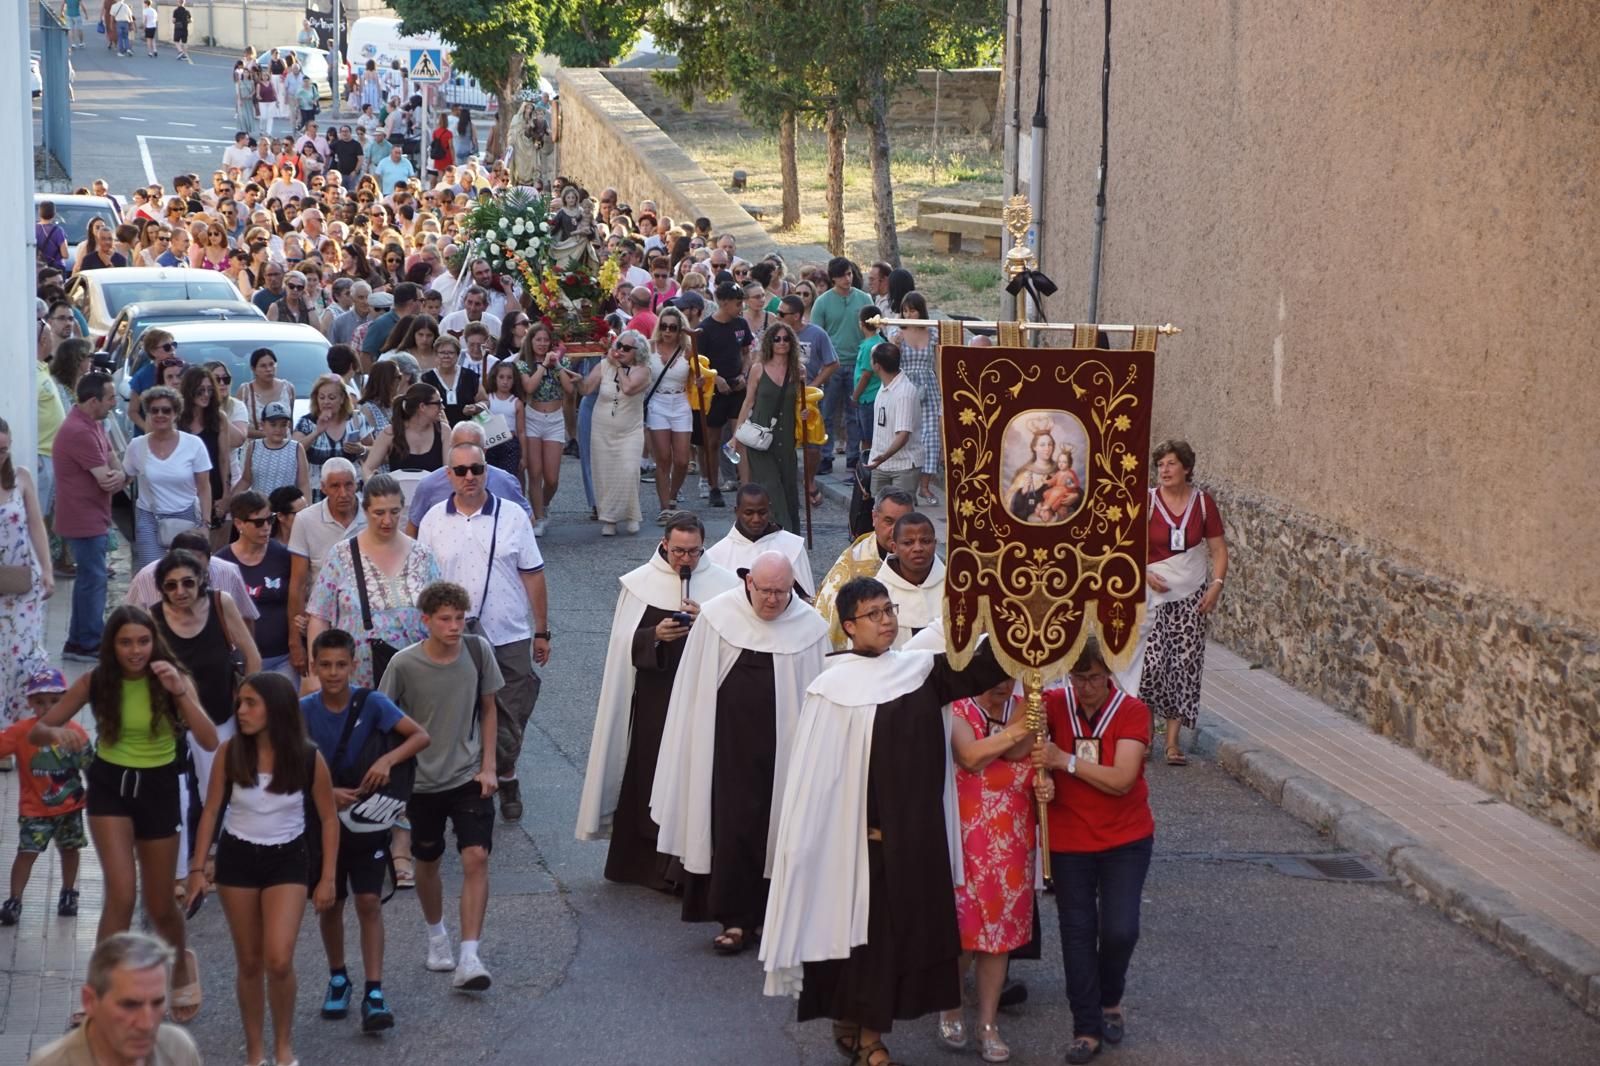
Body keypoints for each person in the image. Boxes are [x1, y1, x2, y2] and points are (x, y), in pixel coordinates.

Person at [760, 577, 1009, 1066]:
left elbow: (987, 667)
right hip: (854, 841)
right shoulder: (831, 688)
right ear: (849, 626)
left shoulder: (919, 671)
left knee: (892, 942)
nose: (887, 620)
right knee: (857, 942)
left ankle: (864, 1026)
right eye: (874, 614)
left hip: (914, 839)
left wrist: (1019, 610)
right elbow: (816, 778)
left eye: (889, 609)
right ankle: (864, 1033)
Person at [29, 606, 218, 1023]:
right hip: (110, 786)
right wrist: (56, 732)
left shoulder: (172, 678)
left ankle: (181, 965)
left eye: (142, 641)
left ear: (154, 642)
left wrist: (181, 692)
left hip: (159, 788)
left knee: (160, 903)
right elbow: (38, 730)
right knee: (120, 892)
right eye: (126, 642)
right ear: (112, 646)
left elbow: (208, 740)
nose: (135, 651)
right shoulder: (97, 681)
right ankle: (100, 996)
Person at [652, 553, 830, 953]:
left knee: (782, 828)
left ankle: (774, 916)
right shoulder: (718, 618)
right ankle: (734, 919)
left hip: (788, 750)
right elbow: (694, 690)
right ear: (748, 582)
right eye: (765, 591)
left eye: (781, 592)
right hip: (728, 746)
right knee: (734, 828)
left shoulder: (810, 628)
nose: (772, 600)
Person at [576, 513, 741, 887]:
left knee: (697, 776)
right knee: (650, 774)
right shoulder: (640, 585)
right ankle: (647, 866)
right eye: (679, 551)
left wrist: (710, 623)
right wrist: (654, 635)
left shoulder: (724, 586)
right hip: (657, 698)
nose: (686, 560)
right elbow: (623, 645)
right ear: (665, 545)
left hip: (704, 699)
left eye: (694, 552)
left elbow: (740, 642)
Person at [187, 672, 338, 1066]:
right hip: (238, 859)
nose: (242, 711)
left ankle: (283, 1048)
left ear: (276, 708)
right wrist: (197, 869)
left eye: (251, 703)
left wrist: (327, 878)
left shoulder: (307, 757)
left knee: (279, 959)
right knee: (250, 961)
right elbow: (211, 811)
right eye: (240, 703)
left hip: (288, 860)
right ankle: (255, 1053)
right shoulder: (230, 751)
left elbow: (329, 817)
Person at [300, 627, 430, 1032]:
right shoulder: (302, 710)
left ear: (355, 666)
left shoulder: (371, 702)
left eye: (341, 665)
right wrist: (325, 792)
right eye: (326, 665)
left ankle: (374, 990)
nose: (334, 673)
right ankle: (338, 977)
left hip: (367, 822)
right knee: (331, 903)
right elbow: (288, 764)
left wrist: (387, 761)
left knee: (369, 902)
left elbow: (419, 736)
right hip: (322, 825)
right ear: (314, 666)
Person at [379, 581, 503, 991]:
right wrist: (392, 778)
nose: (454, 627)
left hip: (468, 775)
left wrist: (489, 767)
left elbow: (489, 709)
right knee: (427, 862)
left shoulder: (477, 651)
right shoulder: (403, 664)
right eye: (445, 619)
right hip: (421, 782)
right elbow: (385, 719)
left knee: (476, 857)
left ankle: (470, 956)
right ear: (426, 621)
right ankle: (437, 937)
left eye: (460, 618)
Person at [416, 443, 549, 822]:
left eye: (476, 469)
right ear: (449, 476)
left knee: (512, 711)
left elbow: (533, 574)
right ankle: (464, 786)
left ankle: (506, 774)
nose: (469, 477)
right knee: (455, 712)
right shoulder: (432, 522)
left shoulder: (513, 516)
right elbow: (423, 583)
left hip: (508, 633)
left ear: (487, 471)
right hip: (450, 637)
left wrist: (542, 631)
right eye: (461, 471)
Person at [1041, 640, 1155, 1063]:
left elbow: (1123, 778)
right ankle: (1085, 1026)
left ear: (1109, 674)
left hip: (1125, 838)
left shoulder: (1132, 711)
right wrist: (1040, 775)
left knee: (1120, 929)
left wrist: (1064, 761)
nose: (1085, 687)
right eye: (1078, 677)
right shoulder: (1052, 704)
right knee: (1076, 931)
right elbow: (1027, 752)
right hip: (1069, 839)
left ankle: (1111, 997)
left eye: (1093, 678)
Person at [938, 676, 1042, 1062]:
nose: (1001, 684)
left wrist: (1026, 717)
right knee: (966, 931)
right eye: (992, 675)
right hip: (967, 838)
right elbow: (971, 755)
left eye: (1008, 675)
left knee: (999, 937)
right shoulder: (957, 708)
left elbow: (1021, 757)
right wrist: (1025, 720)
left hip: (1013, 839)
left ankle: (987, 1024)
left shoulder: (1024, 704)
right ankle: (950, 1005)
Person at [1119, 440, 1228, 765]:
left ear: (1186, 468)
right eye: (1161, 465)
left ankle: (1172, 743)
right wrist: (1141, 572)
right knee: (1150, 667)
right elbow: (1123, 544)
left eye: (1170, 464)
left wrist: (1216, 586)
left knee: (1183, 665)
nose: (1164, 471)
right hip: (1150, 596)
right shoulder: (1148, 502)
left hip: (1191, 597)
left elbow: (1218, 550)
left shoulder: (1203, 504)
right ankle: (1147, 735)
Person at [307, 474, 441, 689]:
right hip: (357, 681)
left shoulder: (423, 556)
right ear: (365, 510)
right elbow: (319, 616)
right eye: (379, 513)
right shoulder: (341, 555)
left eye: (394, 512)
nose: (387, 520)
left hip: (415, 679)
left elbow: (440, 614)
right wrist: (316, 674)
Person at [26, 932, 203, 1066]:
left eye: (157, 1002)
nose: (146, 1024)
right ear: (90, 1001)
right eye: (129, 1005)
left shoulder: (178, 1049)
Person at [0, 669, 91, 925]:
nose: (47, 708)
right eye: (39, 702)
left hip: (70, 807)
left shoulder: (76, 733)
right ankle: (14, 900)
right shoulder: (22, 731)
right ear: (30, 703)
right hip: (34, 810)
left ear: (65, 699)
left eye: (54, 701)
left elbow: (89, 765)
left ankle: (69, 893)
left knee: (70, 850)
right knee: (26, 852)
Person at [53, 372, 126, 662]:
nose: (114, 402)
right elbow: (106, 478)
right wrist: (119, 476)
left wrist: (118, 474)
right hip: (83, 518)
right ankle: (88, 642)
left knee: (89, 579)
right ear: (94, 400)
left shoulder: (93, 423)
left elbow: (113, 461)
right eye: (110, 398)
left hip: (93, 515)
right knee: (93, 580)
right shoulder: (80, 432)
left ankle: (78, 641)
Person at [287, 459, 368, 678]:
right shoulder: (306, 520)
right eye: (335, 486)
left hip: (364, 621)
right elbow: (298, 582)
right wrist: (295, 642)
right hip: (321, 622)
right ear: (323, 488)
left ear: (357, 484)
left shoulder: (373, 515)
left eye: (348, 485)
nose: (343, 493)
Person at [0, 418, 54, 722]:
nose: (1, 456)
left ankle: (18, 727)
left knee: (22, 657)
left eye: (5, 450)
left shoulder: (20, 477)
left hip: (22, 582)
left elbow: (36, 524)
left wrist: (46, 569)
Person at [814, 487, 915, 648]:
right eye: (889, 521)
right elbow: (829, 622)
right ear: (874, 518)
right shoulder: (852, 565)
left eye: (903, 522)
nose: (896, 531)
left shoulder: (928, 564)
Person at [217, 492, 296, 680]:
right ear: (239, 524)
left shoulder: (284, 556)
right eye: (259, 523)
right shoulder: (221, 562)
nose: (267, 527)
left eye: (270, 520)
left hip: (282, 658)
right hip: (240, 662)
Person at [733, 320, 803, 527]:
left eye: (786, 339)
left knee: (788, 486)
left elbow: (802, 402)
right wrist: (736, 433)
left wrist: (806, 413)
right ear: (769, 343)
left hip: (786, 436)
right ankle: (782, 531)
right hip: (760, 435)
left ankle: (791, 536)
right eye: (777, 339)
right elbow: (748, 402)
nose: (781, 343)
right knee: (770, 485)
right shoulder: (758, 369)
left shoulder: (798, 371)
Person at [404, 421, 532, 534]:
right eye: (461, 448)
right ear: (450, 450)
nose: (469, 476)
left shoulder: (506, 482)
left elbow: (527, 522)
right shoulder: (429, 485)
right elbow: (413, 528)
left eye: (473, 449)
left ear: (484, 451)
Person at [582, 330, 651, 536]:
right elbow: (586, 389)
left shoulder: (643, 370)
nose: (620, 351)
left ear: (637, 352)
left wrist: (619, 366)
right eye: (618, 346)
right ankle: (609, 518)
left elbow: (628, 388)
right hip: (602, 429)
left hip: (630, 430)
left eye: (626, 348)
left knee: (629, 469)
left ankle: (631, 514)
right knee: (606, 473)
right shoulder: (604, 365)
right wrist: (574, 377)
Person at [809, 258, 873, 476]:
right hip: (832, 365)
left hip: (857, 363)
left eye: (850, 274)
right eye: (843, 275)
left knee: (854, 413)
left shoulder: (864, 298)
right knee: (826, 412)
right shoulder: (823, 302)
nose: (848, 279)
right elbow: (817, 334)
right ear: (833, 278)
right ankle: (826, 456)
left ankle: (853, 456)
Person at [123, 529, 260, 629]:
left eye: (198, 575)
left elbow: (246, 617)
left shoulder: (229, 573)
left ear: (210, 559)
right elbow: (129, 620)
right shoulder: (146, 577)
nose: (182, 591)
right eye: (171, 585)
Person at [695, 283, 755, 508]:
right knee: (711, 441)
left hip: (737, 387)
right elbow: (698, 363)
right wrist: (716, 379)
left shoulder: (741, 324)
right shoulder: (705, 329)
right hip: (715, 391)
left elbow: (747, 352)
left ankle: (746, 488)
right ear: (724, 302)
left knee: (740, 438)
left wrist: (744, 374)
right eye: (738, 303)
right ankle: (713, 486)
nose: (741, 308)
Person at [519, 322, 578, 536]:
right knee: (535, 473)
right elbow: (529, 387)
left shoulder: (561, 361)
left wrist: (558, 365)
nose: (542, 344)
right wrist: (543, 365)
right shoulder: (524, 364)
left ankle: (542, 504)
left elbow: (570, 390)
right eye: (538, 340)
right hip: (533, 417)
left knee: (552, 478)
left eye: (546, 340)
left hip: (554, 418)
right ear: (531, 342)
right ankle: (539, 517)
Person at [704, 484, 815, 596]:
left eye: (762, 513)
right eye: (749, 513)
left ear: (770, 509)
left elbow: (807, 602)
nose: (756, 519)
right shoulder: (716, 555)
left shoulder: (793, 546)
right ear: (737, 511)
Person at [889, 293, 943, 505]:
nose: (909, 314)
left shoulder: (932, 333)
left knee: (931, 437)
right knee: (906, 434)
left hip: (929, 386)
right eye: (905, 310)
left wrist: (942, 389)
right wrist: (894, 344)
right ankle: (906, 486)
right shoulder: (897, 332)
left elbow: (938, 364)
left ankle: (925, 486)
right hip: (906, 385)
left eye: (913, 310)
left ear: (921, 310)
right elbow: (891, 362)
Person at [642, 308, 694, 521]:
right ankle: (665, 507)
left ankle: (672, 497)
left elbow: (700, 373)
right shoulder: (650, 347)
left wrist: (701, 381)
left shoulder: (688, 349)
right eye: (663, 326)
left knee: (682, 460)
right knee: (663, 458)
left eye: (673, 327)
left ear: (680, 329)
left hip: (680, 402)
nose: (667, 331)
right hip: (657, 403)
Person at [876, 512, 945, 647]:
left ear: (935, 543)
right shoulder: (877, 593)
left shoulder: (956, 586)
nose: (918, 548)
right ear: (895, 548)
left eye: (925, 541)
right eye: (908, 543)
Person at [296, 374, 370, 495]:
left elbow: (375, 451)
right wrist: (317, 432)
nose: (326, 402)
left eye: (331, 397)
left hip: (352, 490)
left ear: (342, 399)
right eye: (322, 397)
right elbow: (295, 450)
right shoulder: (307, 422)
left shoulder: (357, 419)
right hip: (318, 491)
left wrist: (362, 449)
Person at [864, 343, 919, 496]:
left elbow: (903, 434)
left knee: (900, 515)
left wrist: (883, 456)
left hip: (903, 466)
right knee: (878, 513)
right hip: (880, 465)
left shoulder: (904, 392)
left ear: (877, 365)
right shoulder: (884, 386)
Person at [362, 382, 446, 478]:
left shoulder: (444, 431)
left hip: (433, 492)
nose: (443, 407)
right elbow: (367, 468)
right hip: (398, 492)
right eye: (439, 403)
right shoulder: (390, 433)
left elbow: (449, 471)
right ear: (422, 407)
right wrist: (375, 488)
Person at [234, 400, 310, 500]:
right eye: (273, 424)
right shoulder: (254, 446)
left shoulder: (296, 448)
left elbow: (303, 484)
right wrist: (230, 500)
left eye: (283, 425)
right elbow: (246, 480)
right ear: (262, 425)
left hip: (287, 509)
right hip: (260, 508)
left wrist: (306, 510)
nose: (278, 429)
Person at [238, 347, 296, 439]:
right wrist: (267, 434)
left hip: (284, 447)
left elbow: (290, 423)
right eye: (263, 366)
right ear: (254, 369)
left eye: (271, 364)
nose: (269, 369)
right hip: (256, 448)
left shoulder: (288, 388)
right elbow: (240, 428)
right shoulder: (245, 391)